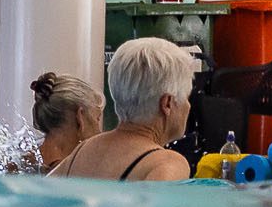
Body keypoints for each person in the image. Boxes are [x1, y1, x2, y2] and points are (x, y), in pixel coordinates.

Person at [50, 38, 193, 182]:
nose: (188, 105)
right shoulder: (166, 164)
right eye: (186, 97)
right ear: (167, 104)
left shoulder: (81, 152)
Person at [31, 71, 104, 172]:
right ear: (80, 117)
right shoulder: (76, 175)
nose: (100, 131)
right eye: (97, 118)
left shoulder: (24, 163)